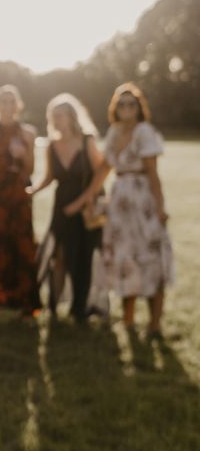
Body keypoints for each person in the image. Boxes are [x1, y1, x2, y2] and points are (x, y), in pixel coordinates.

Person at [65, 83, 173, 337]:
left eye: (131, 104)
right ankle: (128, 320)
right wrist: (84, 201)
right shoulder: (114, 133)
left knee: (150, 258)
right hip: (120, 204)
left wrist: (160, 207)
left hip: (142, 201)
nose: (126, 108)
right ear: (115, 108)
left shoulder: (144, 132)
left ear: (139, 108)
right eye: (121, 104)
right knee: (126, 260)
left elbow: (153, 174)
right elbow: (103, 172)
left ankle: (154, 324)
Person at [30, 94, 103, 322]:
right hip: (61, 205)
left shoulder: (87, 140)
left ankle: (79, 309)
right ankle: (52, 307)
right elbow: (50, 176)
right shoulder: (51, 145)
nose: (56, 120)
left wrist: (81, 202)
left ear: (72, 116)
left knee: (82, 257)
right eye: (53, 116)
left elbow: (101, 173)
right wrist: (30, 192)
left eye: (60, 115)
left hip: (86, 206)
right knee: (58, 255)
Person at [0, 85, 40, 320]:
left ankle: (25, 304)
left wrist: (24, 156)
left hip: (17, 197)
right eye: (2, 101)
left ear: (18, 106)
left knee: (21, 247)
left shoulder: (28, 134)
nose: (6, 106)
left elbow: (30, 169)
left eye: (11, 102)